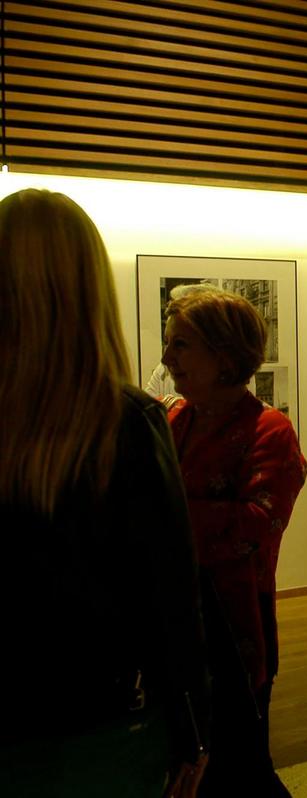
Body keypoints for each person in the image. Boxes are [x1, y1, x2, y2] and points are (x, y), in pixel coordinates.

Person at [0, 188, 209, 797]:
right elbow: (169, 595)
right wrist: (193, 729)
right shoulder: (125, 420)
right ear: (90, 286)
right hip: (100, 721)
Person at [161, 288, 307, 797]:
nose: (166, 359)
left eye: (180, 345)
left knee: (238, 761)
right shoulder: (175, 420)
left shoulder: (270, 430)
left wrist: (164, 523)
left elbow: (254, 525)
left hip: (234, 621)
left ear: (224, 355)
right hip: (177, 616)